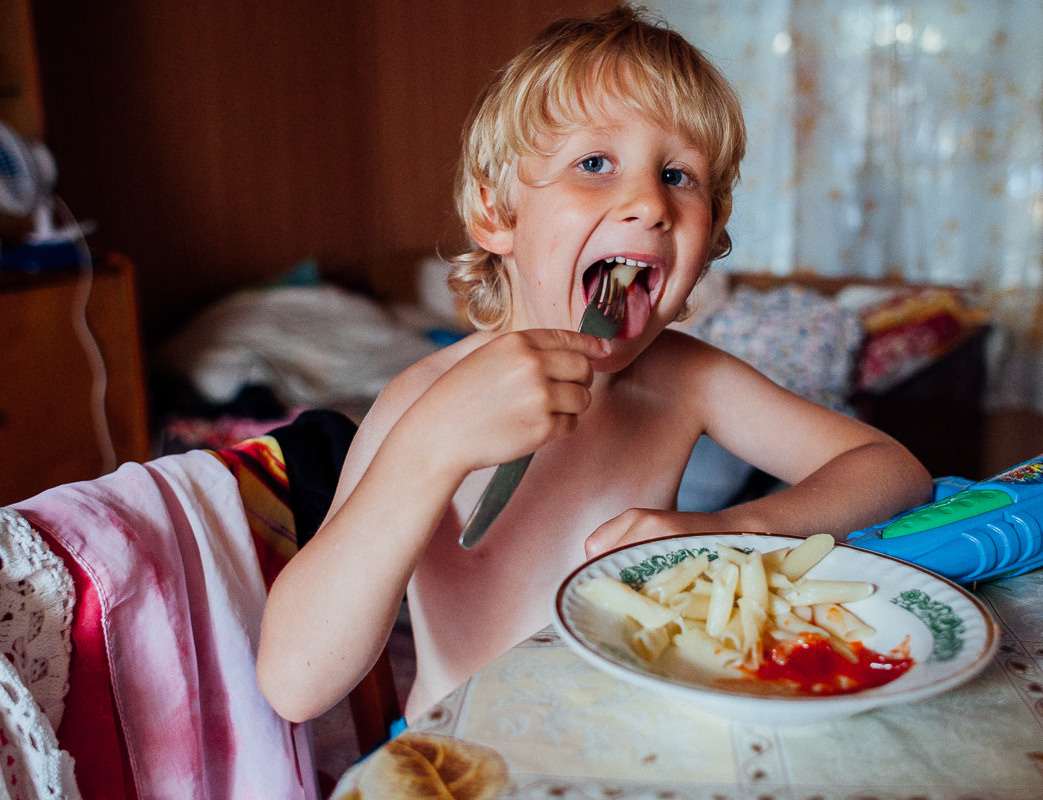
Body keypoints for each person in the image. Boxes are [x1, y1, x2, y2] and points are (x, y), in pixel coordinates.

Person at [256, 5, 932, 724]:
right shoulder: (424, 400)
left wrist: (737, 529)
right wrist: (430, 448)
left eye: (679, 175)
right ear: (497, 213)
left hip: (631, 746)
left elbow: (895, 472)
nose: (648, 203)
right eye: (594, 163)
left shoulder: (686, 379)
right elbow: (295, 684)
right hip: (468, 759)